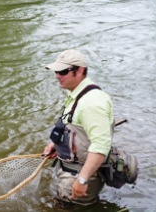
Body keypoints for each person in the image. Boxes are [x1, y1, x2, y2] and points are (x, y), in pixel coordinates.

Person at [42, 49, 114, 208]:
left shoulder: (92, 102)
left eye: (62, 71)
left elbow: (100, 145)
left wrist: (82, 179)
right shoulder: (79, 94)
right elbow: (74, 128)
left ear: (79, 70)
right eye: (56, 71)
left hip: (78, 175)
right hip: (71, 171)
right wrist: (58, 144)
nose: (57, 75)